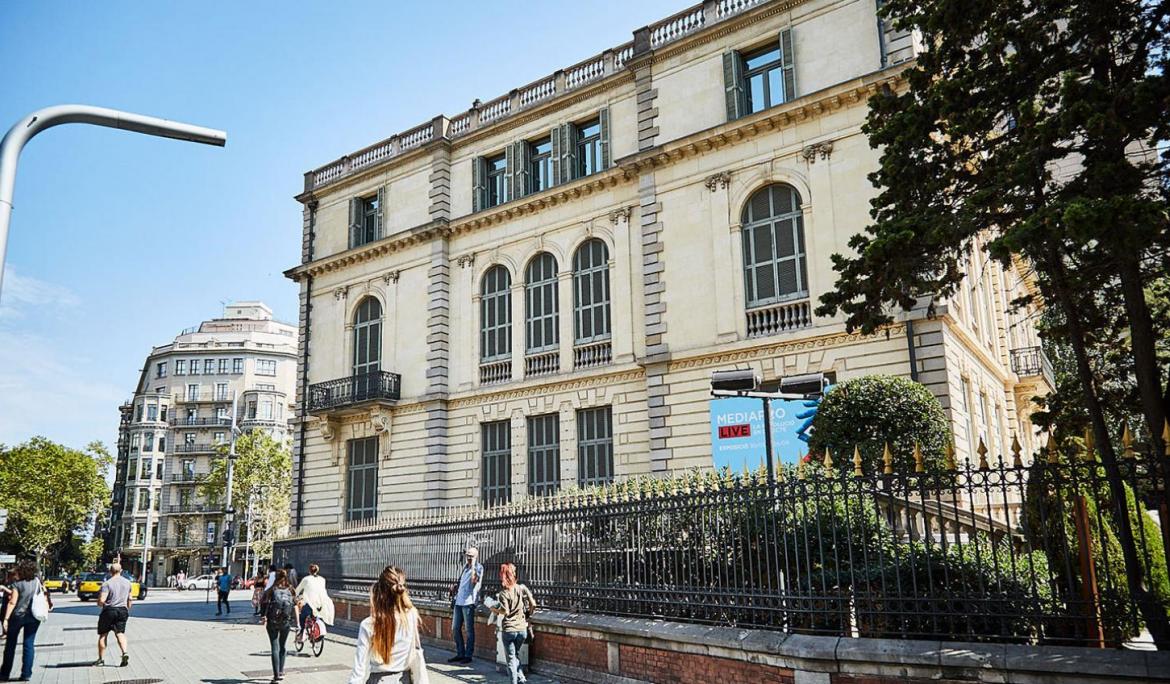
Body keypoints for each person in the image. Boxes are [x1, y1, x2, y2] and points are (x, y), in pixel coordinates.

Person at [347, 566, 420, 684]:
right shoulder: (411, 616)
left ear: (379, 592)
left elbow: (359, 670)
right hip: (405, 679)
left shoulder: (369, 624)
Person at [1, 560, 51, 681]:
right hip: (34, 616)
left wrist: (6, 619)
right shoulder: (37, 582)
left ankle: (4, 673)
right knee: (29, 644)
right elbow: (44, 594)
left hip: (17, 616)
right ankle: (26, 674)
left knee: (10, 645)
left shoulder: (17, 584)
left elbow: (13, 602)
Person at [488, 563, 536, 684]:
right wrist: (528, 615)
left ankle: (515, 682)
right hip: (522, 630)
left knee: (510, 660)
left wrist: (494, 609)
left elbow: (505, 611)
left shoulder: (504, 593)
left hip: (509, 630)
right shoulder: (522, 588)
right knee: (515, 656)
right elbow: (533, 604)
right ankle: (522, 679)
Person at [259, 569, 296, 683]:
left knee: (275, 647)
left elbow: (263, 603)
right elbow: (296, 605)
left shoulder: (271, 590)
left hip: (272, 622)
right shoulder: (291, 590)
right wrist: (297, 622)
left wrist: (263, 617)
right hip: (286, 622)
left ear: (275, 578)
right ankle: (281, 671)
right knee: (283, 646)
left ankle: (276, 676)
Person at [448, 546, 483, 664]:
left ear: (476, 556)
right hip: (459, 601)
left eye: (471, 556)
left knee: (469, 630)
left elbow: (474, 581)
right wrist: (455, 587)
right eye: (467, 555)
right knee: (455, 628)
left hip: (468, 603)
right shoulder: (465, 568)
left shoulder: (478, 567)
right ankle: (460, 653)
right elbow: (462, 583)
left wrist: (473, 564)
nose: (468, 558)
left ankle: (468, 655)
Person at [93, 562, 132, 668]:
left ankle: (101, 659)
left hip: (109, 611)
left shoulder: (107, 584)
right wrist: (127, 608)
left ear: (110, 571)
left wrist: (99, 603)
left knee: (103, 635)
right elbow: (130, 599)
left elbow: (102, 600)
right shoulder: (128, 583)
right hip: (123, 610)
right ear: (121, 571)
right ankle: (124, 652)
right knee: (120, 633)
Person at [293, 563, 334, 638]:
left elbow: (297, 590)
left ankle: (302, 631)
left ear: (309, 571)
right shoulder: (322, 579)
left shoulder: (306, 579)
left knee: (302, 616)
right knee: (317, 616)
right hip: (322, 603)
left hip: (310, 603)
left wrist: (295, 595)